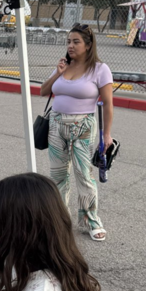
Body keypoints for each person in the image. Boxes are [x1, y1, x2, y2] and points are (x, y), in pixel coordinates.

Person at [40, 24, 114, 242]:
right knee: (57, 176)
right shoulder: (64, 65)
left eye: (76, 42)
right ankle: (59, 221)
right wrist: (58, 73)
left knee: (84, 175)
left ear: (88, 45)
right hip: (56, 124)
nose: (71, 46)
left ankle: (91, 219)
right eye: (69, 42)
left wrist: (106, 135)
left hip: (82, 126)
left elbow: (108, 104)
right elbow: (44, 91)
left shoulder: (100, 69)